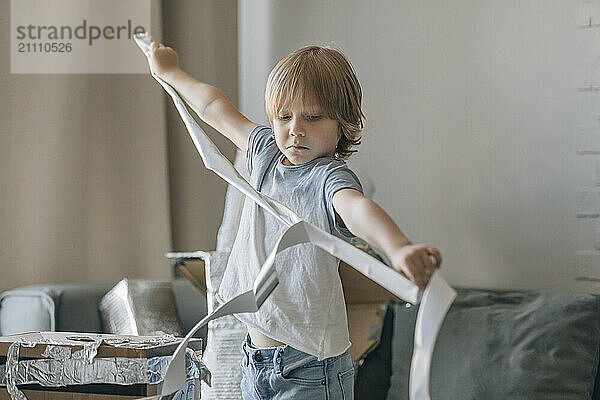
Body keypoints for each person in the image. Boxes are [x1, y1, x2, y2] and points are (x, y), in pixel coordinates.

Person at [150, 42, 442, 400]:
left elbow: (356, 210)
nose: (296, 130)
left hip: (310, 370)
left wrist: (398, 248)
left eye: (313, 117)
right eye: (284, 117)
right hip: (256, 360)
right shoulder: (265, 152)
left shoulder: (326, 178)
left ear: (343, 124)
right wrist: (170, 72)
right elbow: (214, 107)